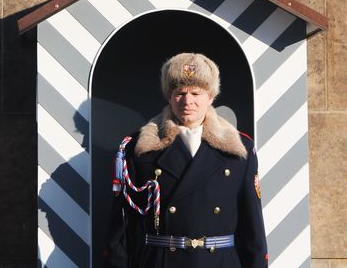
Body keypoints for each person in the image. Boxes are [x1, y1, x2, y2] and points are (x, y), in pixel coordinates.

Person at [103, 53, 268, 268]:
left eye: (195, 93)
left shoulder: (239, 150)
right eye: (180, 92)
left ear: (210, 97)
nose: (187, 101)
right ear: (170, 96)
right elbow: (122, 227)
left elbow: (252, 228)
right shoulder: (140, 148)